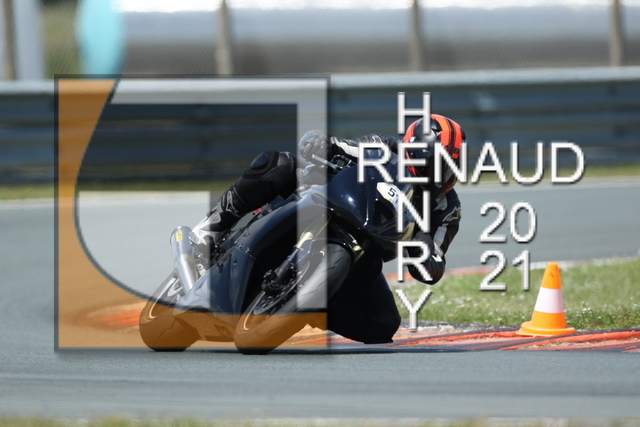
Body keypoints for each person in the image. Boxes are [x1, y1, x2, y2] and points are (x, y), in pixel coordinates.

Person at [190, 114, 465, 344]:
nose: (443, 173)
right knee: (278, 164)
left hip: (365, 251)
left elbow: (435, 261)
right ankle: (212, 227)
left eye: (452, 165)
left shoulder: (447, 208)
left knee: (382, 324)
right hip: (324, 204)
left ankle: (308, 304)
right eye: (438, 163)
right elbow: (344, 146)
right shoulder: (384, 148)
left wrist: (425, 250)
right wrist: (322, 143)